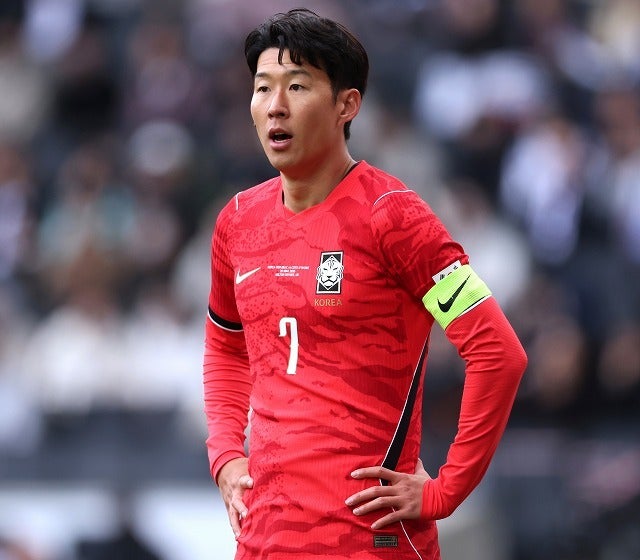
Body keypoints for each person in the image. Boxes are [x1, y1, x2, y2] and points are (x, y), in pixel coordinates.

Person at [202, 8, 527, 560]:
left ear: (346, 105)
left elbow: (498, 352)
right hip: (264, 539)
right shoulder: (237, 222)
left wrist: (446, 490)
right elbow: (226, 346)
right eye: (262, 87)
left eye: (297, 86)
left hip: (369, 540)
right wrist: (227, 456)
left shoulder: (394, 217)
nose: (275, 105)